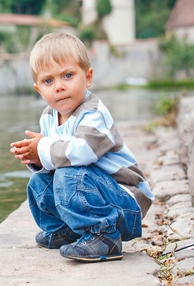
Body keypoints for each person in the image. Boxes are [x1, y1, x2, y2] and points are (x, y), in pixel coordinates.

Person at [9, 32, 154, 262]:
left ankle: (104, 236)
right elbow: (55, 161)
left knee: (70, 172)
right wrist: (36, 158)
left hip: (126, 202)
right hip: (96, 196)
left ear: (87, 78)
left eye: (68, 75)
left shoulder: (93, 113)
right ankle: (68, 229)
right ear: (39, 89)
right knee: (39, 182)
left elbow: (81, 152)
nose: (59, 86)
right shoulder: (49, 117)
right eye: (49, 81)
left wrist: (44, 147)